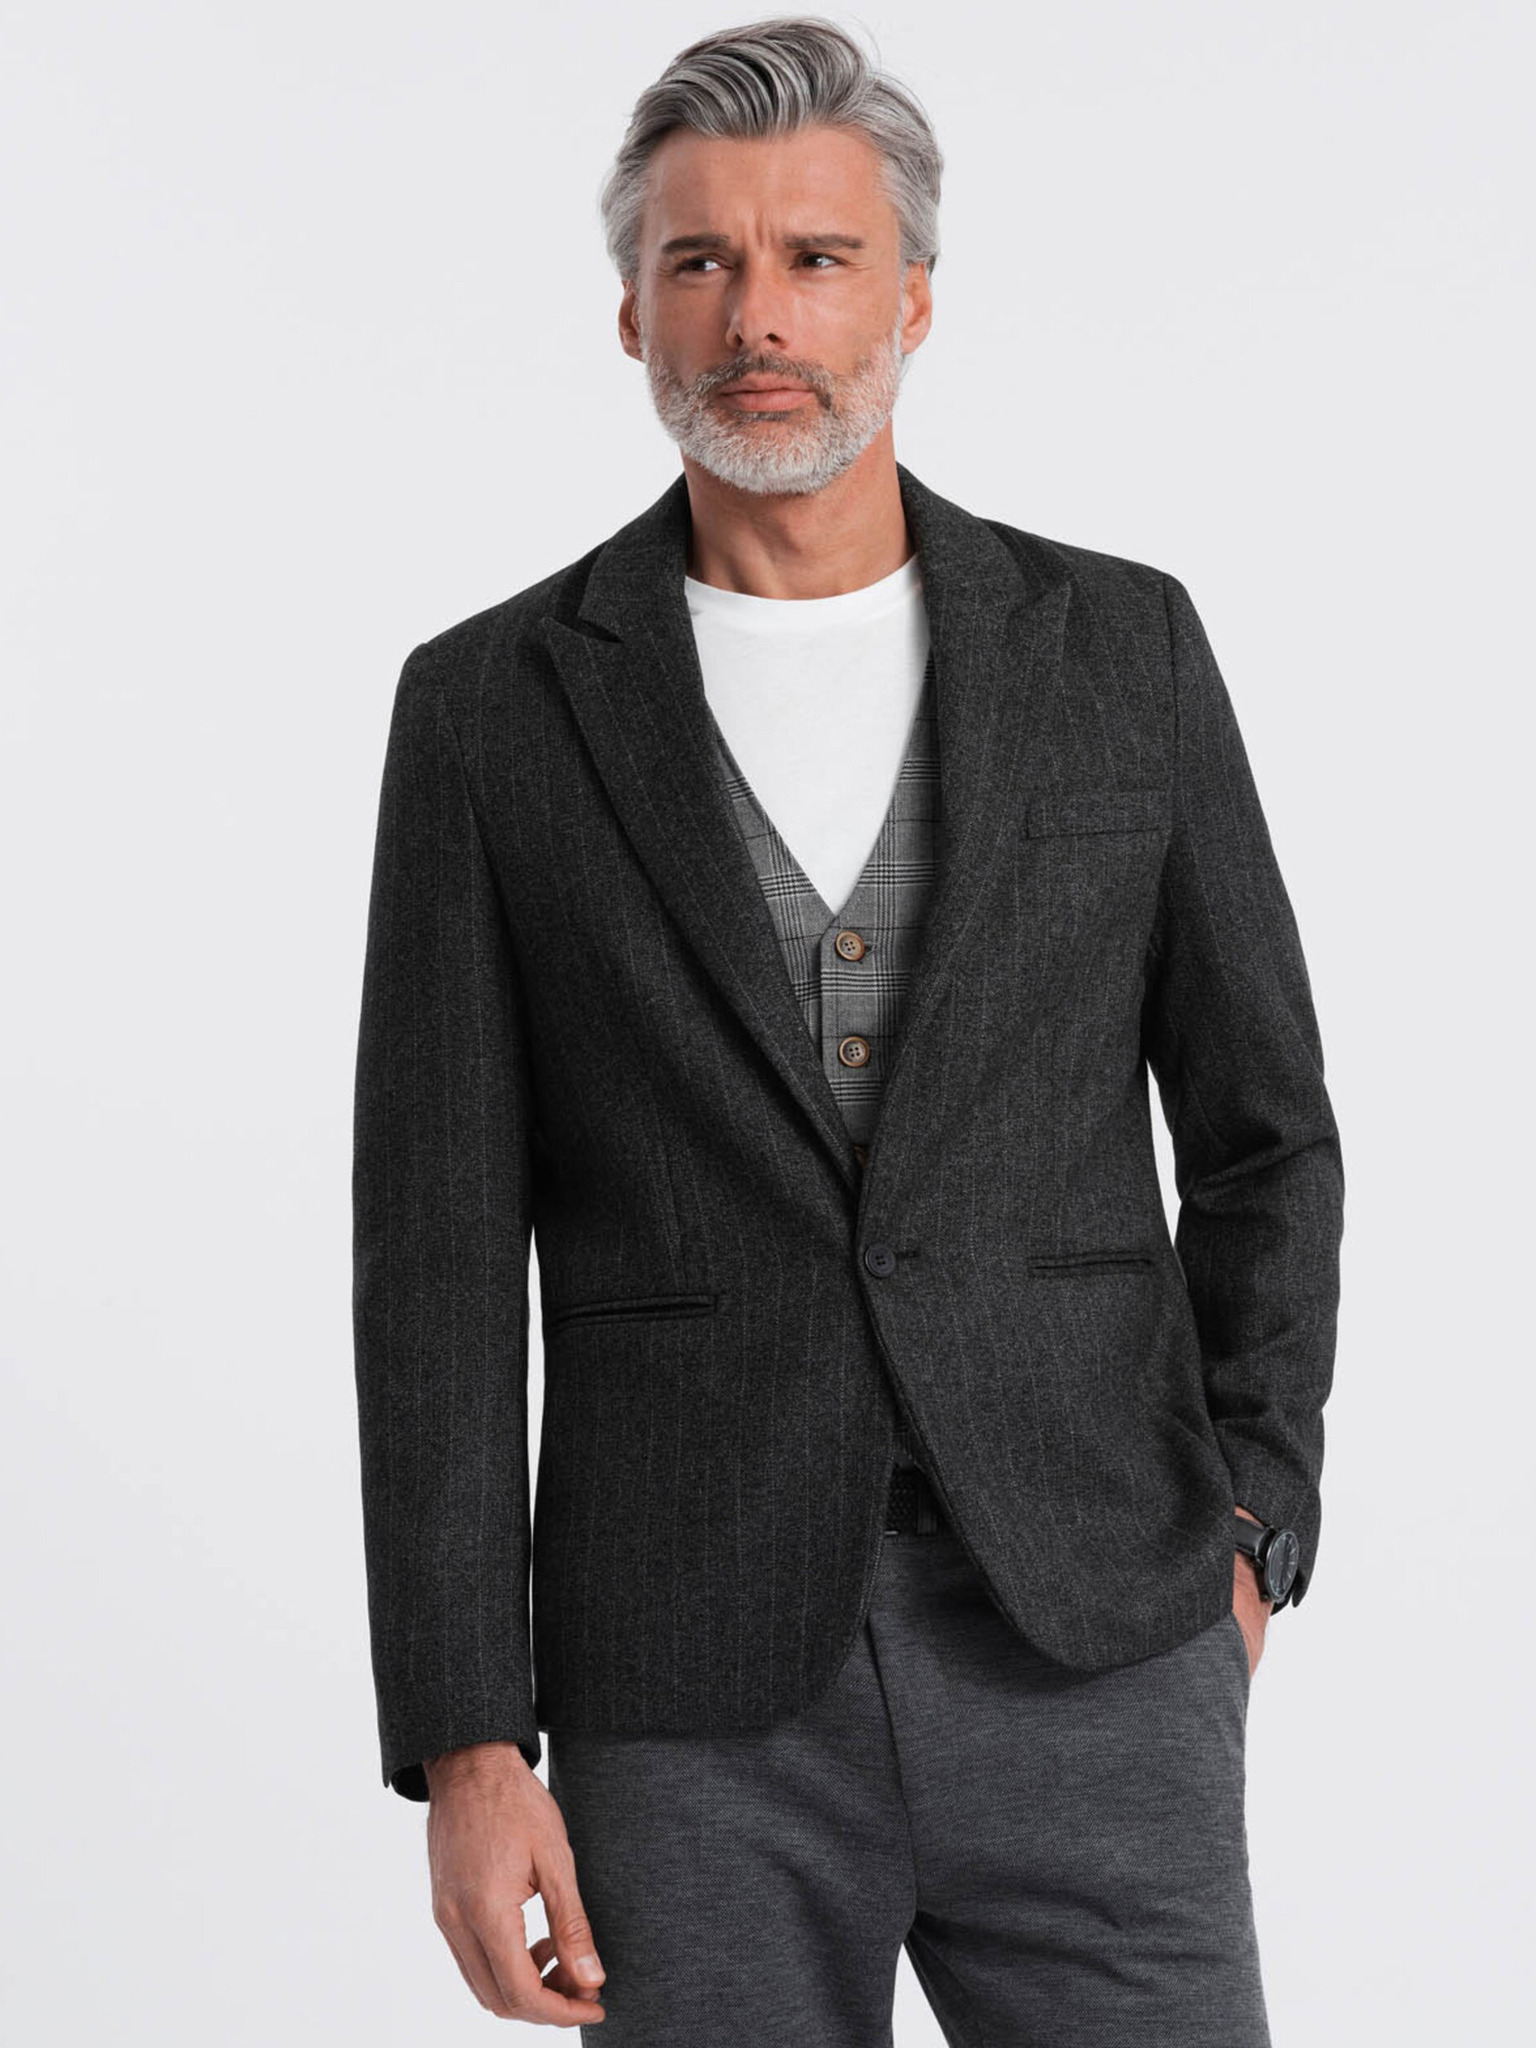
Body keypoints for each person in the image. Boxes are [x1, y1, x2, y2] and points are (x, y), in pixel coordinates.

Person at [351, 17, 1344, 2044]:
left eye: (817, 257)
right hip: (685, 1685)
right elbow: (436, 1257)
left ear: (913, 297)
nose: (759, 317)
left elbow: (1266, 1132)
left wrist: (1251, 1524)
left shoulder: (1120, 648)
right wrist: (467, 1739)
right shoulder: (491, 708)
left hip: (1099, 1637)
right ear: (630, 309)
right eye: (701, 262)